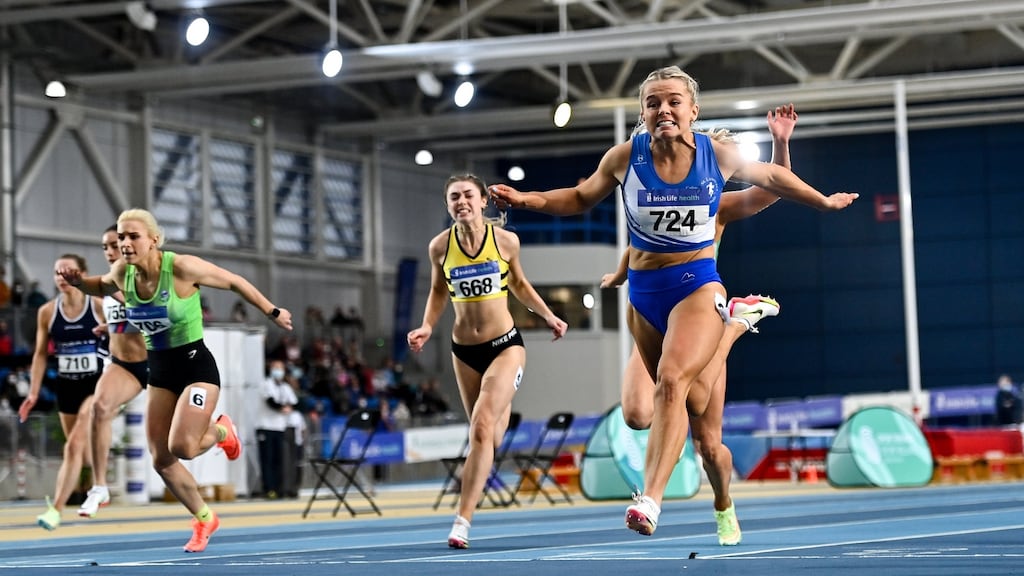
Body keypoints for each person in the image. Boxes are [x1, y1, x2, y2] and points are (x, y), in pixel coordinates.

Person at [489, 66, 858, 537]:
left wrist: (822, 200)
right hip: (646, 297)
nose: (663, 109)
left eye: (673, 101)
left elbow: (773, 182)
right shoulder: (625, 158)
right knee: (652, 413)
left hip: (697, 289)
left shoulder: (717, 163)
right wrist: (527, 200)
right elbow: (583, 198)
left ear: (692, 111)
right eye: (652, 103)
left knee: (684, 403)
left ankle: (659, 499)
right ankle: (731, 329)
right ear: (643, 113)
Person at [602, 104, 821, 546]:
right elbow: (642, 241)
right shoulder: (651, 192)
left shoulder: (715, 204)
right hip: (654, 317)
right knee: (637, 413)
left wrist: (780, 143)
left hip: (699, 314)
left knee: (707, 441)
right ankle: (730, 326)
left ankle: (723, 504)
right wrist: (622, 273)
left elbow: (771, 190)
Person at [58, 208, 293, 553]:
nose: (124, 243)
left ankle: (222, 431)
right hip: (161, 372)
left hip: (196, 367)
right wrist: (78, 280)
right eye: (121, 237)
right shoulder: (123, 273)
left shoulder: (180, 267)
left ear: (153, 240)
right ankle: (204, 518)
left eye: (133, 236)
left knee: (182, 446)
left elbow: (234, 281)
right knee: (161, 459)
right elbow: (100, 285)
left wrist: (273, 311)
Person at [407, 174, 568, 549]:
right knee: (489, 435)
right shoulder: (439, 247)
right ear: (448, 206)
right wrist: (427, 327)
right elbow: (436, 291)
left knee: (480, 426)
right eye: (453, 197)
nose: (460, 201)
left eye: (467, 195)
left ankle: (462, 521)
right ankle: (499, 410)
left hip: (505, 345)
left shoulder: (506, 241)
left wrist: (548, 316)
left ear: (483, 201)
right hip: (463, 351)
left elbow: (520, 286)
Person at [18, 254, 105, 531]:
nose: (62, 277)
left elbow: (123, 339)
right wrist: (33, 393)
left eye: (69, 272)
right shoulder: (47, 312)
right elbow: (41, 354)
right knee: (80, 453)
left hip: (97, 384)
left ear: (83, 274)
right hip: (67, 387)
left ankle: (55, 509)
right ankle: (96, 482)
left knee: (73, 444)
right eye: (57, 273)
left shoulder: (100, 306)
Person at [77, 225, 151, 518]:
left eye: (114, 244)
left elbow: (162, 315)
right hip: (124, 365)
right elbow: (126, 321)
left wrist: (127, 301)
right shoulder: (106, 285)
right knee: (100, 407)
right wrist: (110, 326)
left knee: (179, 445)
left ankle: (220, 431)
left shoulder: (145, 278)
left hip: (159, 363)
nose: (110, 251)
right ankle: (99, 486)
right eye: (105, 246)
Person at [256, 359, 298, 499]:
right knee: (267, 459)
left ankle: (280, 488)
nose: (278, 370)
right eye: (275, 367)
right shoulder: (266, 384)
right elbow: (271, 402)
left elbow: (294, 403)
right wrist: (282, 408)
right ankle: (269, 488)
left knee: (279, 460)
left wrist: (286, 407)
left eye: (280, 368)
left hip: (280, 427)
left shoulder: (285, 387)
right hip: (266, 426)